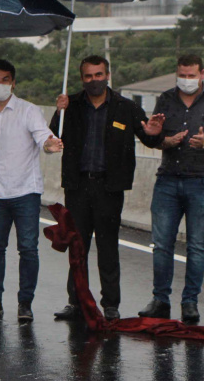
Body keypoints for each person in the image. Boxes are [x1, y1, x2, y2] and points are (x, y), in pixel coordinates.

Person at [50, 56, 164, 321]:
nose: (94, 80)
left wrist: (156, 131)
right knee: (77, 246)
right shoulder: (73, 104)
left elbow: (148, 137)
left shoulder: (126, 107)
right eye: (88, 76)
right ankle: (76, 301)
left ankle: (110, 304)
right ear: (82, 79)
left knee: (108, 246)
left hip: (110, 187)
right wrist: (59, 111)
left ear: (108, 75)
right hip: (78, 185)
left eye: (99, 74)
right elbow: (54, 135)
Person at [138, 55, 204, 323]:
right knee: (161, 244)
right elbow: (156, 142)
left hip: (203, 181)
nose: (187, 80)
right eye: (183, 75)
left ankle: (190, 302)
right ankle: (160, 299)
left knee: (197, 246)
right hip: (168, 179)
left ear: (202, 74)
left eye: (192, 76)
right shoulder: (166, 99)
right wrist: (159, 135)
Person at [0, 59, 63, 322]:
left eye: (5, 79)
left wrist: (50, 145)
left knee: (28, 248)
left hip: (25, 191)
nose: (0, 85)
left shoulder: (29, 111)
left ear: (14, 82)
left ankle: (25, 303)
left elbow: (43, 137)